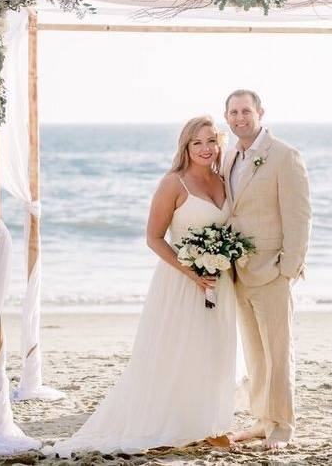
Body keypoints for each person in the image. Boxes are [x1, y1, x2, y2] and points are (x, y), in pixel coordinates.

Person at [46, 116, 237, 456]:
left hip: (219, 283)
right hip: (181, 284)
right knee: (176, 352)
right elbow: (154, 238)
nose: (205, 149)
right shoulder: (173, 183)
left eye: (211, 141)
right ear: (186, 148)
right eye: (197, 143)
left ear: (220, 144)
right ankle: (171, 423)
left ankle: (209, 424)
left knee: (214, 352)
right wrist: (192, 272)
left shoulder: (225, 181)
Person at [223, 89, 312, 449]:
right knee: (255, 353)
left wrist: (288, 268)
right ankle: (262, 419)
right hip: (239, 272)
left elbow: (300, 215)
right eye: (233, 112)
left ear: (260, 112)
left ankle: (283, 426)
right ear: (226, 118)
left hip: (273, 271)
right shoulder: (230, 156)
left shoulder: (285, 156)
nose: (240, 118)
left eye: (246, 111)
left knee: (278, 351)